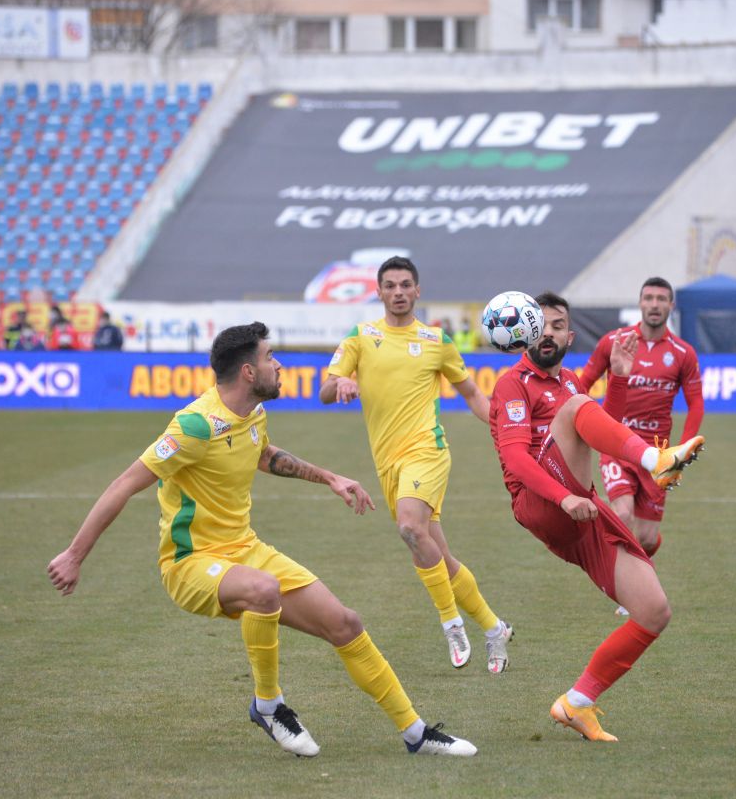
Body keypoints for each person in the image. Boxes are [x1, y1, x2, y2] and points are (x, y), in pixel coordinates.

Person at [47, 323, 477, 758]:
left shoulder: (253, 413)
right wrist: (74, 555)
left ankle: (416, 733)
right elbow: (123, 484)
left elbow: (263, 453)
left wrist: (329, 477)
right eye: (271, 357)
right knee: (263, 590)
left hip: (245, 549)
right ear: (249, 372)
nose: (279, 365)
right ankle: (268, 706)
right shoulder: (194, 425)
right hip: (189, 562)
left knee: (345, 623)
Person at [487, 292, 704, 742]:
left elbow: (605, 432)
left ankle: (576, 704)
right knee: (576, 407)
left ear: (570, 335)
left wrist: (620, 379)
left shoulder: (570, 383)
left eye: (557, 325)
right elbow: (515, 460)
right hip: (541, 503)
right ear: (524, 331)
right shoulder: (513, 384)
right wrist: (563, 499)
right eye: (539, 323)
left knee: (653, 611)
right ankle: (657, 462)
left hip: (581, 508)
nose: (548, 332)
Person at [319, 256, 514, 674]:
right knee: (438, 555)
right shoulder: (360, 337)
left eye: (406, 284)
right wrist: (341, 383)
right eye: (390, 285)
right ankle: (495, 628)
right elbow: (325, 389)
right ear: (380, 291)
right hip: (388, 463)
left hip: (428, 451)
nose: (399, 292)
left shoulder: (436, 340)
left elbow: (473, 396)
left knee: (409, 527)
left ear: (418, 290)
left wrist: (507, 430)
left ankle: (451, 623)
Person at [578, 276, 704, 562]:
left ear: (671, 305)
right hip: (617, 445)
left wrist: (681, 452)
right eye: (649, 298)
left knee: (646, 538)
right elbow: (582, 384)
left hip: (657, 454)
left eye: (661, 299)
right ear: (640, 303)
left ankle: (638, 569)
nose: (654, 305)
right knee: (622, 513)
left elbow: (696, 404)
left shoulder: (683, 353)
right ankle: (627, 591)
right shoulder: (614, 342)